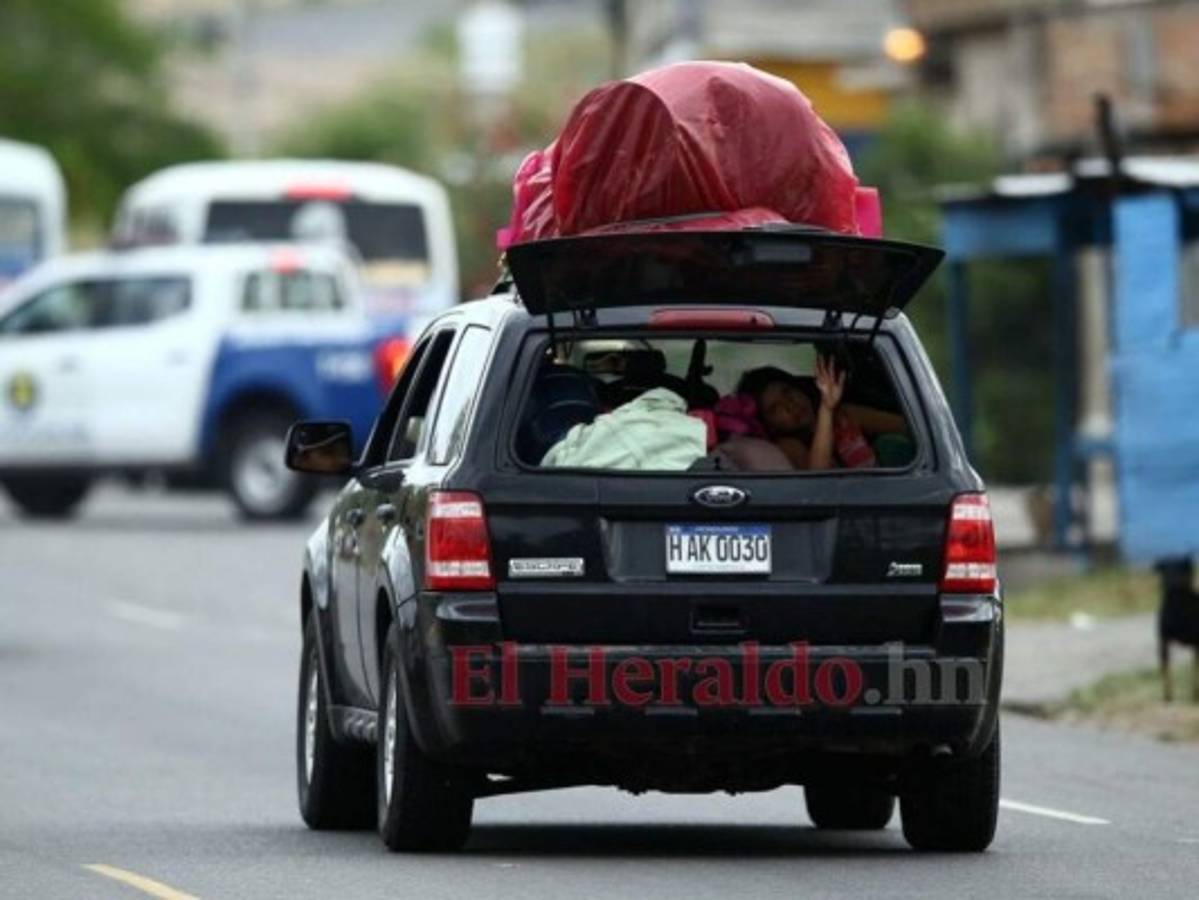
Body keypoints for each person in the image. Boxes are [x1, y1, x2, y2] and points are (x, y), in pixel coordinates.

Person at [737, 357, 907, 470]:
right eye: (775, 408)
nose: (790, 405)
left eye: (787, 391)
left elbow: (911, 427)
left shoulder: (844, 416)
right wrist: (826, 408)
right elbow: (819, 480)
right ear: (769, 425)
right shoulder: (789, 447)